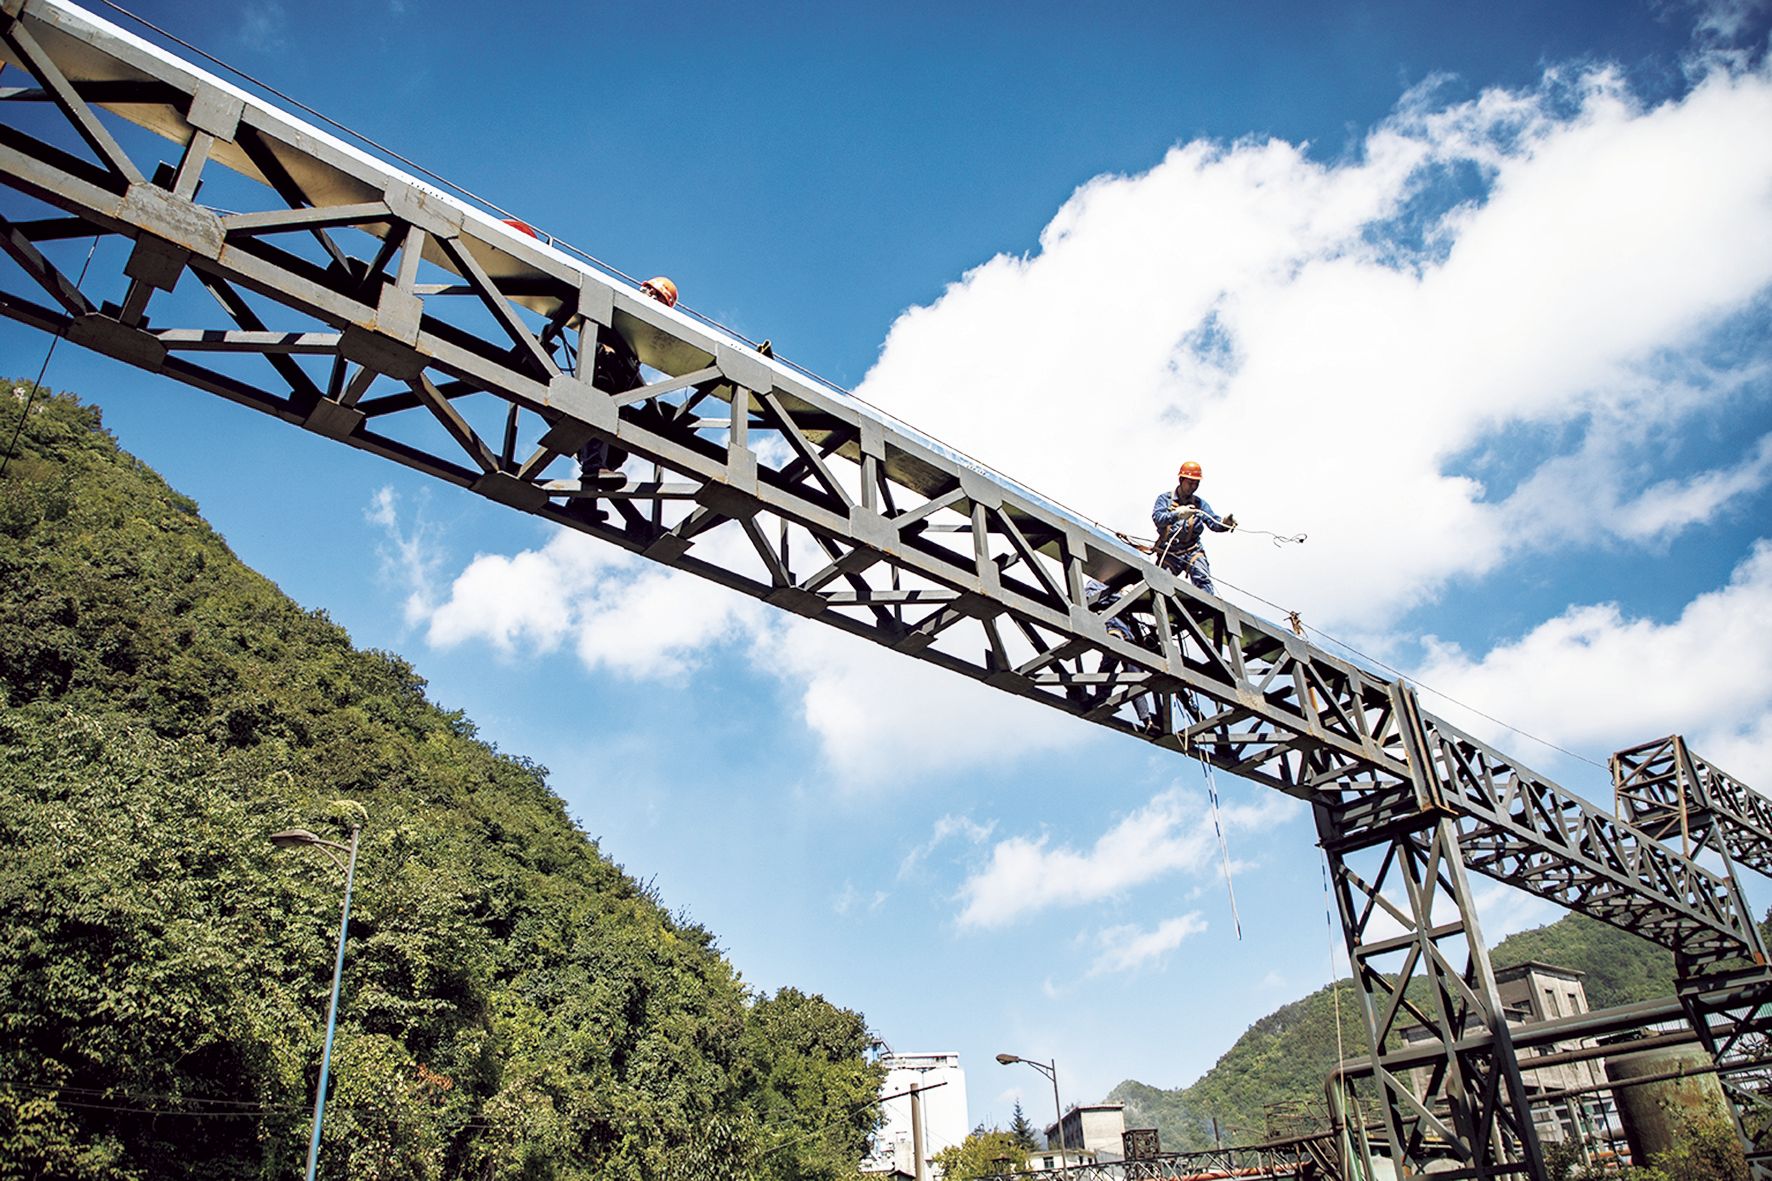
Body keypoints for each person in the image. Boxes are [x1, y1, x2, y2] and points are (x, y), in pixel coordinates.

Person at [576, 276, 679, 480]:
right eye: (657, 297)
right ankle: (592, 467)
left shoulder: (646, 329)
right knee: (599, 418)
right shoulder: (623, 306)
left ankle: (592, 482)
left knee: (618, 451)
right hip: (604, 372)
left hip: (620, 384)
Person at [1151, 460, 1235, 594]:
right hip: (1170, 552)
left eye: (1196, 483)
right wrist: (1177, 514)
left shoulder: (1199, 504)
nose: (1193, 487)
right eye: (1190, 483)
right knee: (1161, 583)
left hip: (1192, 550)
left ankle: (1205, 606)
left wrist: (1225, 523)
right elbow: (1158, 519)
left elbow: (1213, 523)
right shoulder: (1165, 499)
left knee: (1202, 579)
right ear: (1181, 480)